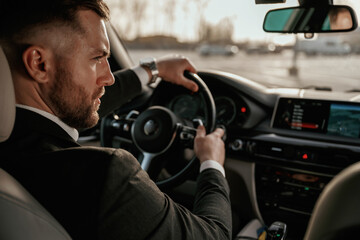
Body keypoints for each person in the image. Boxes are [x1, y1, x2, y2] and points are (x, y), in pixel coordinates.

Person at [0, 0, 232, 239]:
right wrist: (211, 163)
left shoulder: (12, 140)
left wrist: (153, 70)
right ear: (39, 63)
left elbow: (71, 93)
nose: (109, 77)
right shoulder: (105, 175)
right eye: (97, 58)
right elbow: (215, 235)